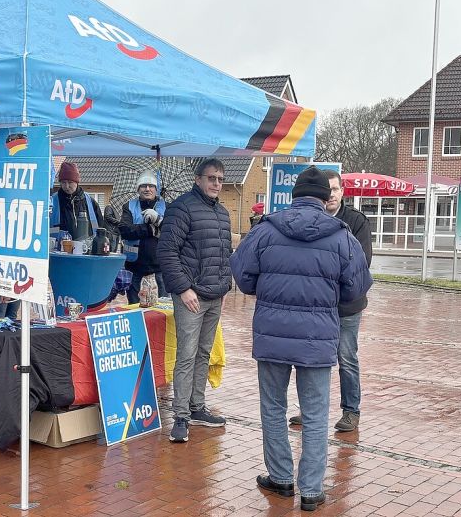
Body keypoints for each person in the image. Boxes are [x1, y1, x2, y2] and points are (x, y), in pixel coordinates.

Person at [230, 166, 372, 511]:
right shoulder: (342, 236)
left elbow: (242, 275)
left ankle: (280, 477)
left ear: (293, 196)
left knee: (273, 407)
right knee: (315, 411)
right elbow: (357, 288)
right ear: (326, 198)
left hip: (272, 334)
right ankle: (310, 490)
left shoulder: (265, 230)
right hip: (318, 337)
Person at [289, 170, 373, 433]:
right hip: (316, 307)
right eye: (328, 190)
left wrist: (323, 284)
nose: (332, 195)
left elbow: (360, 265)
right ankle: (310, 409)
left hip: (346, 306)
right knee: (311, 357)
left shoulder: (356, 222)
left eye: (336, 189)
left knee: (346, 357)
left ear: (342, 192)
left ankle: (351, 411)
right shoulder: (310, 220)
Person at [157, 158, 232, 443]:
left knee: (203, 354)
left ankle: (197, 407)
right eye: (211, 178)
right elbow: (167, 252)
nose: (216, 184)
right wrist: (184, 288)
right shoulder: (182, 208)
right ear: (198, 179)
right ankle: (181, 416)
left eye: (220, 179)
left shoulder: (223, 214)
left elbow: (224, 254)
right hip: (191, 296)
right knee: (186, 356)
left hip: (215, 296)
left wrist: (225, 286)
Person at [119, 169, 166, 304]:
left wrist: (158, 220)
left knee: (161, 310)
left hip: (160, 269)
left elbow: (172, 231)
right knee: (134, 308)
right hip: (135, 269)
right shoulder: (129, 206)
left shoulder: (166, 206)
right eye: (143, 186)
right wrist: (150, 229)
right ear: (138, 189)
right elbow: (125, 230)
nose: (147, 189)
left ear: (156, 189)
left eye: (151, 186)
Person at [49, 161, 105, 242]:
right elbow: (45, 228)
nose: (67, 186)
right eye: (63, 182)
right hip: (59, 249)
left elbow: (99, 227)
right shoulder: (52, 201)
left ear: (77, 182)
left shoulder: (90, 202)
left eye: (70, 182)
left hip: (87, 249)